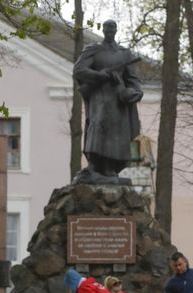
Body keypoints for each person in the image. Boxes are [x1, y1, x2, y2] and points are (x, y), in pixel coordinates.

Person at [72, 19, 143, 183]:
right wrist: (99, 75)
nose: (109, 32)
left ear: (116, 30)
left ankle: (110, 168)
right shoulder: (93, 50)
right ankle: (94, 165)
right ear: (103, 31)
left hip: (118, 98)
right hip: (99, 97)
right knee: (98, 127)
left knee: (116, 133)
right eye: (107, 29)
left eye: (112, 29)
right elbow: (79, 70)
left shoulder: (124, 54)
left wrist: (136, 92)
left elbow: (133, 79)